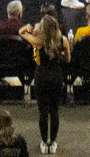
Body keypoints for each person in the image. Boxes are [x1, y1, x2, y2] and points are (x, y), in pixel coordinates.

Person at [20, 12, 68, 153]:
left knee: (43, 112)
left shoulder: (38, 41)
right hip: (56, 76)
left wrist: (27, 27)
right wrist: (60, 55)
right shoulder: (63, 40)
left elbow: (20, 32)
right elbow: (68, 59)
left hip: (41, 77)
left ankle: (43, 142)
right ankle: (52, 143)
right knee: (54, 110)